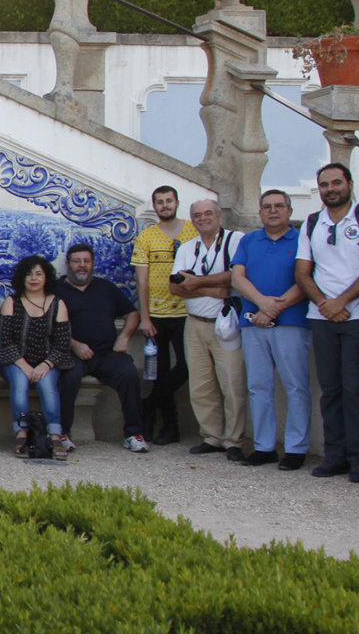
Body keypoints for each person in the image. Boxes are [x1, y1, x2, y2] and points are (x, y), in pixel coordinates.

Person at [296, 162, 359, 483]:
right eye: (324, 184)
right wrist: (325, 304)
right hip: (322, 317)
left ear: (349, 184)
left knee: (356, 390)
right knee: (331, 390)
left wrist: (342, 301)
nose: (330, 189)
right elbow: (302, 272)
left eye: (337, 183)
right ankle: (335, 456)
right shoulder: (312, 222)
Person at [230, 191, 311, 469]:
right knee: (258, 387)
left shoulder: (303, 239)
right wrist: (263, 305)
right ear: (260, 211)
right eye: (267, 207)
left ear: (289, 210)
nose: (273, 211)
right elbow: (237, 277)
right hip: (253, 323)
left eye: (279, 206)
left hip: (292, 323)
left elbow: (308, 279)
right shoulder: (249, 240)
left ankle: (296, 449)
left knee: (296, 386)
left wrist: (275, 308)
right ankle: (264, 446)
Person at [171, 199, 249, 461]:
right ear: (192, 220)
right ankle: (212, 436)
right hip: (194, 322)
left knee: (232, 383)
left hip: (225, 324)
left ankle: (234, 440)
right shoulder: (187, 247)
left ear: (219, 215)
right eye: (197, 215)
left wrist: (197, 283)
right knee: (201, 386)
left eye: (208, 213)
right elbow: (175, 286)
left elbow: (236, 276)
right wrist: (212, 288)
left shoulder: (236, 240)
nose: (203, 218)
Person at [56, 242, 151, 454]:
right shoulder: (56, 290)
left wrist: (124, 337)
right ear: (68, 264)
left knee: (129, 374)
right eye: (77, 261)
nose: (82, 265)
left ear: (93, 264)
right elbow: (48, 325)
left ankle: (133, 434)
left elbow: (132, 314)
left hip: (107, 353)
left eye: (87, 261)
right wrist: (75, 344)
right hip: (72, 354)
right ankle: (61, 433)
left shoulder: (106, 288)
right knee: (68, 377)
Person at [0, 255, 76, 460]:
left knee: (47, 385)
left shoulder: (58, 304)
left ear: (46, 277)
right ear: (21, 278)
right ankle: (22, 434)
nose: (33, 278)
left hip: (47, 362)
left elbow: (62, 343)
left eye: (38, 274)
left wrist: (46, 365)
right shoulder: (11, 302)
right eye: (29, 274)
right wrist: (24, 366)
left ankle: (55, 436)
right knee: (20, 383)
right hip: (15, 361)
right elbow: (5, 341)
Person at [133, 185, 190, 445]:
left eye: (169, 201)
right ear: (154, 207)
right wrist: (144, 318)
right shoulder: (147, 236)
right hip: (156, 314)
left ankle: (149, 404)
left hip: (189, 312)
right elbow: (141, 282)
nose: (165, 205)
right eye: (160, 202)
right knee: (159, 369)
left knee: (187, 366)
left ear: (177, 203)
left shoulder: (193, 231)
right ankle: (170, 426)